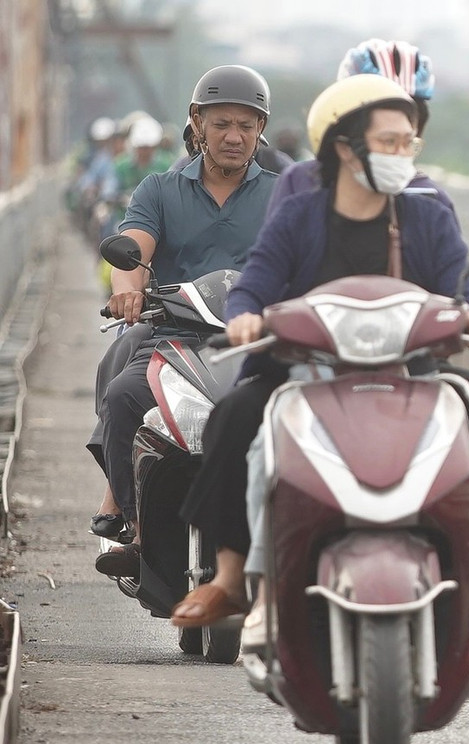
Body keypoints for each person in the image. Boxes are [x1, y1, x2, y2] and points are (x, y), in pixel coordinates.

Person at [169, 74, 469, 628]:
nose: (404, 154)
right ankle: (228, 579)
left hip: (411, 370)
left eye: (409, 143)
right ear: (345, 149)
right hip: (303, 371)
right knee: (233, 417)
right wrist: (245, 319)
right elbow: (256, 283)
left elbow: (458, 289)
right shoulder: (300, 214)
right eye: (390, 142)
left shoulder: (427, 216)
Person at [87, 65, 280, 575]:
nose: (234, 136)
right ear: (196, 122)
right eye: (221, 124)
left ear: (261, 127)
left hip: (257, 342)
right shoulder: (158, 189)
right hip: (176, 337)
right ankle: (137, 528)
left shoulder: (285, 196)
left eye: (246, 124)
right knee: (125, 395)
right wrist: (127, 294)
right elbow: (132, 254)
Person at [264, 38, 450, 219]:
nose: (395, 124)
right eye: (380, 114)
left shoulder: (432, 199)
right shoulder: (300, 181)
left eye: (406, 115)